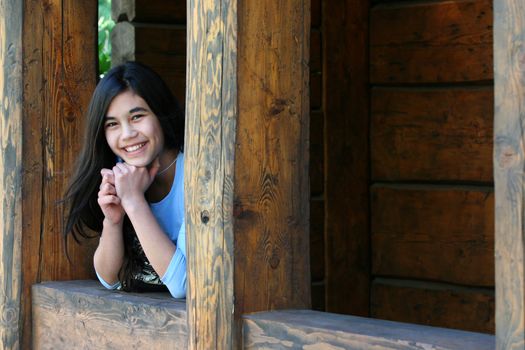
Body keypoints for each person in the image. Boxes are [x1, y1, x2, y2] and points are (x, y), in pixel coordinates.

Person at [63, 62, 186, 298]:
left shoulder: (196, 173)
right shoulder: (122, 173)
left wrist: (134, 202)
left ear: (159, 113)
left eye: (137, 116)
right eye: (112, 124)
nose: (127, 134)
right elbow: (109, 279)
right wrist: (113, 220)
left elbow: (183, 284)